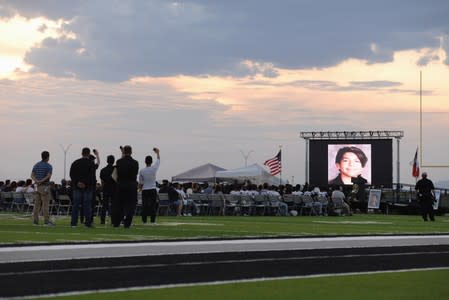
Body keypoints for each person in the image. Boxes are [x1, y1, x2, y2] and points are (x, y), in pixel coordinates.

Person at [69, 147, 97, 228]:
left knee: (76, 205)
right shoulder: (91, 163)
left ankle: (73, 223)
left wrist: (78, 182)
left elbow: (72, 174)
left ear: (82, 153)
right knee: (87, 205)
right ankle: (87, 223)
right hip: (88, 187)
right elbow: (92, 176)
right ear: (88, 154)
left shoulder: (75, 163)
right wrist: (85, 183)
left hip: (77, 187)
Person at [114, 145, 139, 228]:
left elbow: (117, 174)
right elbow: (135, 173)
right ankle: (127, 222)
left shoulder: (119, 162)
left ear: (124, 152)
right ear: (131, 152)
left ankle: (117, 222)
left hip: (121, 184)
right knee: (131, 204)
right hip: (131, 185)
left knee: (119, 204)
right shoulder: (135, 162)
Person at [30, 151, 54, 226]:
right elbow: (48, 176)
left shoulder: (36, 165)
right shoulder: (49, 166)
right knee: (45, 205)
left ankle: (35, 221)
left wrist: (37, 181)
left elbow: (32, 175)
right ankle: (46, 221)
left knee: (36, 205)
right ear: (48, 157)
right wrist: (41, 181)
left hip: (37, 186)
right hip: (45, 186)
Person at [138, 148, 160, 225]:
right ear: (151, 162)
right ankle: (153, 221)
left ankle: (144, 221)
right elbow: (158, 161)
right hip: (153, 189)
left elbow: (140, 182)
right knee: (153, 206)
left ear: (145, 162)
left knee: (145, 206)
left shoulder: (142, 171)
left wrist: (139, 189)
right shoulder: (154, 168)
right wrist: (157, 153)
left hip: (145, 190)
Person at [99, 155, 116, 225]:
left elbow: (102, 181)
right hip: (114, 189)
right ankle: (113, 220)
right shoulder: (115, 169)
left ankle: (102, 220)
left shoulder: (103, 170)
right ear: (113, 161)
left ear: (107, 161)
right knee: (114, 205)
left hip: (106, 189)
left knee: (104, 205)